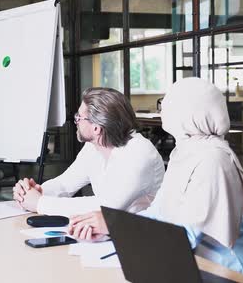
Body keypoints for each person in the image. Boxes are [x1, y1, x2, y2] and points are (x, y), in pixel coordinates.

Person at [69, 78, 243, 279]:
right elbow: (159, 214)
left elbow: (186, 235)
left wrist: (113, 225)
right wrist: (111, 231)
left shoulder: (214, 160)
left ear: (188, 111)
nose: (162, 109)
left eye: (166, 103)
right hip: (197, 267)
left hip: (232, 274)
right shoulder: (185, 152)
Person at [13, 87, 165, 217]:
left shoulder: (140, 153)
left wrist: (40, 203)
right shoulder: (94, 147)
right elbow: (65, 185)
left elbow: (106, 206)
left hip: (139, 238)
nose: (76, 121)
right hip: (108, 233)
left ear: (96, 128)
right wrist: (34, 192)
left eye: (79, 117)